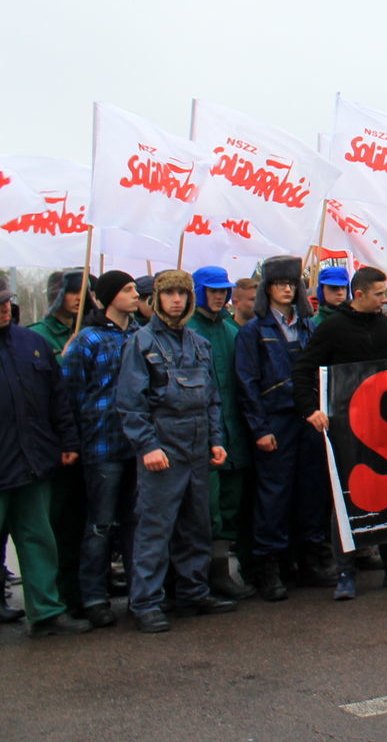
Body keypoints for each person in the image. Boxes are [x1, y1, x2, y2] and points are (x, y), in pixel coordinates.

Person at [291, 266, 387, 600]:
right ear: (360, 294)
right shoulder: (333, 328)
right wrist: (310, 409)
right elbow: (303, 369)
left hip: (385, 427)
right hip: (345, 429)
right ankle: (345, 572)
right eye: (380, 294)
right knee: (346, 498)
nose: (385, 300)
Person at [117, 269, 236, 633]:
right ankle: (146, 602)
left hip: (198, 447)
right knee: (154, 529)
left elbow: (212, 399)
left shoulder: (199, 343)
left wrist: (217, 440)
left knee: (195, 526)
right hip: (163, 449)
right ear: (156, 298)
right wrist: (147, 446)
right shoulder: (140, 343)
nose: (176, 300)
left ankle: (193, 592)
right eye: (169, 293)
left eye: (182, 294)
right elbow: (129, 403)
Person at [235, 255, 333, 601]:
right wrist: (259, 428)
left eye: (292, 284)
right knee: (274, 495)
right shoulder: (253, 331)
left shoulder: (310, 326)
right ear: (268, 289)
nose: (287, 290)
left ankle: (309, 560)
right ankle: (270, 567)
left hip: (308, 420)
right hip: (275, 421)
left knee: (311, 490)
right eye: (280, 284)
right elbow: (246, 384)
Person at [0, 276, 91, 636]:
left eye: (6, 300)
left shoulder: (32, 344)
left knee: (39, 539)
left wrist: (68, 442)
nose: (4, 307)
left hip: (33, 463)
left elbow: (58, 399)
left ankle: (46, 613)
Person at [60, 270, 142, 628]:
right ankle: (94, 596)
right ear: (109, 297)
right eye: (127, 290)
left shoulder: (141, 336)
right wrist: (74, 442)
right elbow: (71, 395)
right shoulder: (87, 341)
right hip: (102, 444)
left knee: (134, 523)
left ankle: (141, 595)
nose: (135, 294)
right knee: (100, 525)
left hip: (136, 443)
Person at [187, 266, 256, 600]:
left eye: (223, 290)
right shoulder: (186, 331)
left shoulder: (232, 332)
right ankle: (201, 578)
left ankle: (224, 572)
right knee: (205, 510)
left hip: (234, 437)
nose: (219, 295)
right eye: (212, 290)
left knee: (231, 505)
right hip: (199, 438)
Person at [29, 269, 96, 363]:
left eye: (83, 292)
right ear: (57, 295)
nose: (80, 297)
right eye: (73, 292)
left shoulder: (87, 332)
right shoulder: (36, 334)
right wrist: (64, 357)